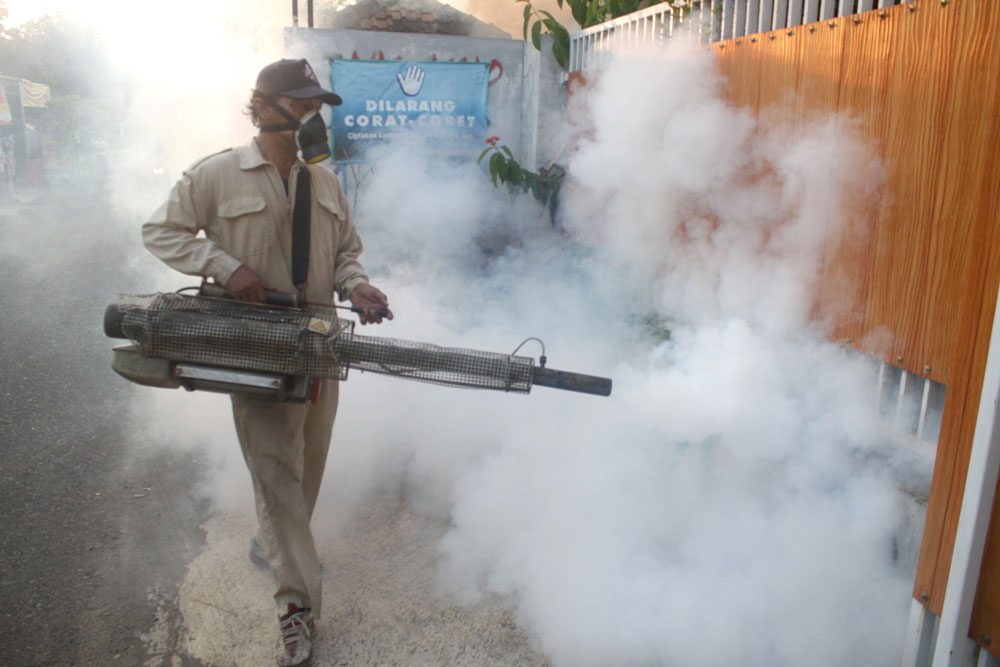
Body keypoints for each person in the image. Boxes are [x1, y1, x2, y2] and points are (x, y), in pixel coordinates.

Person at [142, 58, 391, 666]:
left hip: (320, 344)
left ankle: (275, 545)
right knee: (277, 474)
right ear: (267, 106)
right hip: (254, 347)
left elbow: (346, 254)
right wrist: (227, 268)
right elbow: (162, 231)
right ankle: (297, 607)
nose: (314, 117)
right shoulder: (219, 174)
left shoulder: (325, 183)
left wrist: (356, 285)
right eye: (304, 105)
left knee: (306, 467)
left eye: (317, 106)